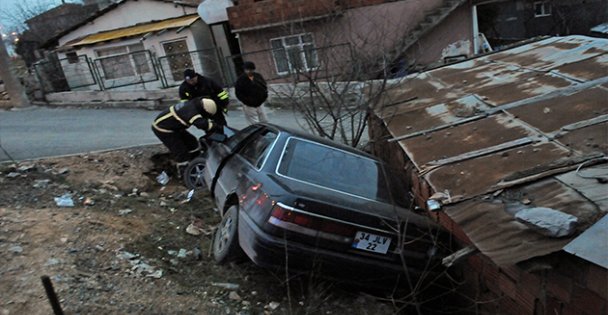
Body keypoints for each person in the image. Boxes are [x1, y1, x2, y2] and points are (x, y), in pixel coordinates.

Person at [151, 97, 225, 176]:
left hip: (175, 127)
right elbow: (201, 124)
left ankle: (195, 162)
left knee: (192, 143)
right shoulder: (191, 111)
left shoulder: (196, 103)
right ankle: (184, 174)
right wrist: (215, 126)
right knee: (180, 151)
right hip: (163, 129)